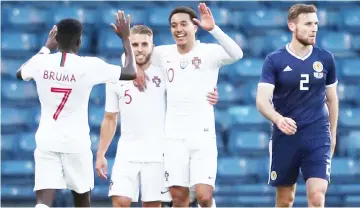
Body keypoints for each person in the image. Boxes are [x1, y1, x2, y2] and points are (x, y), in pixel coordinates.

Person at [15, 11, 136, 208]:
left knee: (43, 200)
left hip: (47, 139)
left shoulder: (40, 62)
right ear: (79, 41)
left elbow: (21, 73)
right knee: (81, 200)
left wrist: (46, 47)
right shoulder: (88, 65)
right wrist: (126, 38)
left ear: (56, 39)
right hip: (76, 143)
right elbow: (130, 72)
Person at [95, 24, 220, 207]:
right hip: (126, 152)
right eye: (135, 45)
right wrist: (101, 153)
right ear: (129, 46)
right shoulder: (116, 77)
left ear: (153, 47)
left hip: (158, 153)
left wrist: (210, 93)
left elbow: (190, 88)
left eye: (144, 44)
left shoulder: (164, 72)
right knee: (120, 202)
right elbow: (110, 118)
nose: (139, 49)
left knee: (152, 205)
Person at [132, 3, 243, 207]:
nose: (178, 29)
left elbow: (237, 54)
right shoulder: (163, 53)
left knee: (204, 196)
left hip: (202, 133)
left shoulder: (210, 52)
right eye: (174, 25)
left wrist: (214, 29)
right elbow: (134, 53)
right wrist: (137, 67)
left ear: (195, 27)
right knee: (179, 198)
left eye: (183, 24)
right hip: (173, 136)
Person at [256, 4, 338, 207]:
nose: (314, 28)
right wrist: (278, 119)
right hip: (285, 137)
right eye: (308, 24)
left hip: (317, 135)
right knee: (285, 200)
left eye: (316, 23)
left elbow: (332, 99)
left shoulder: (325, 59)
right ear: (292, 26)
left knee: (317, 197)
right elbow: (262, 100)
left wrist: (333, 135)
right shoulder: (274, 60)